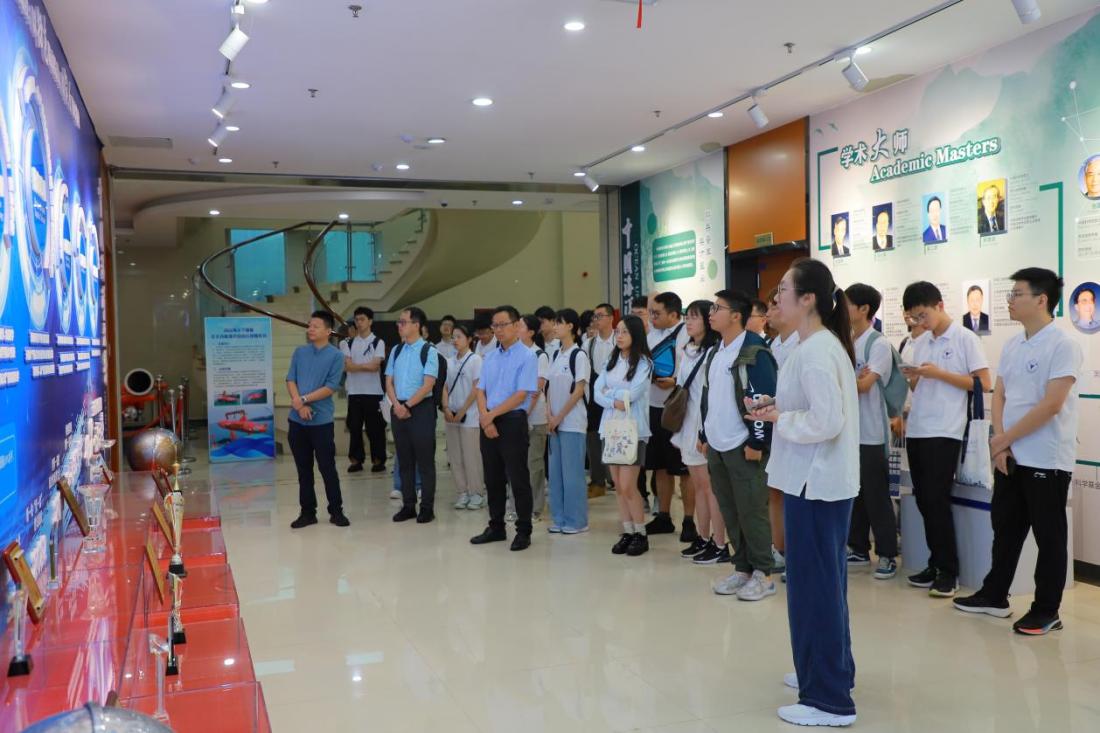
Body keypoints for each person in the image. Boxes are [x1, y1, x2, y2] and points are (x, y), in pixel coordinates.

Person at [749, 258, 859, 728]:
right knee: (823, 586)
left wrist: (780, 418)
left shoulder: (816, 350)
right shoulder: (812, 346)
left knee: (815, 590)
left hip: (816, 484)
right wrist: (775, 406)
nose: (776, 298)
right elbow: (811, 406)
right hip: (815, 482)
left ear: (808, 298)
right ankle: (826, 671)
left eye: (783, 289)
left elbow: (826, 421)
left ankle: (829, 700)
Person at [955, 268, 1083, 635]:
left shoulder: (1063, 344)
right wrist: (1001, 443)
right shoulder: (1013, 344)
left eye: (1017, 294)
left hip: (1046, 457)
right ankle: (994, 594)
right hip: (1011, 455)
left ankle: (1047, 610)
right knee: (1006, 529)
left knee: (1049, 536)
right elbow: (1000, 393)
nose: (1010, 300)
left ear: (1042, 300)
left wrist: (1004, 438)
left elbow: (1052, 405)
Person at [901, 281, 991, 597]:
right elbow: (918, 388)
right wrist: (913, 377)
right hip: (918, 428)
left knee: (937, 500)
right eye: (914, 318)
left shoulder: (965, 338)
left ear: (939, 305)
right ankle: (936, 562)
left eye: (923, 315)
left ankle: (948, 571)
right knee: (924, 500)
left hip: (946, 430)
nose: (920, 322)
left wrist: (938, 373)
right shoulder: (922, 341)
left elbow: (983, 383)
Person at [700, 290, 778, 601]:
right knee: (730, 510)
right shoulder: (715, 352)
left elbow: (762, 400)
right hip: (717, 445)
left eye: (717, 308)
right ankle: (742, 568)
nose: (711, 313)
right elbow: (708, 396)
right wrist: (704, 435)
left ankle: (764, 573)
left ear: (736, 316)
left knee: (752, 510)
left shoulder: (755, 352)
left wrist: (757, 441)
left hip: (743, 444)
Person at [470, 306, 539, 551]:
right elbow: (480, 390)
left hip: (512, 420)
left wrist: (490, 416)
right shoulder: (490, 356)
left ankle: (523, 530)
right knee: (492, 477)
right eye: (495, 326)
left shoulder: (528, 356)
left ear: (516, 325)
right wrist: (485, 418)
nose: (498, 330)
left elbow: (521, 394)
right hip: (488, 420)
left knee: (518, 477)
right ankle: (496, 526)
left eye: (503, 324)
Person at [844, 284, 899, 580]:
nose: (842, 309)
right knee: (855, 492)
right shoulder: (848, 340)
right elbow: (855, 381)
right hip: (850, 432)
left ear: (864, 309)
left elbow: (865, 386)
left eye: (847, 303)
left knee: (877, 495)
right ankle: (858, 547)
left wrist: (846, 381)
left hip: (872, 432)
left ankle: (887, 553)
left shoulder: (877, 343)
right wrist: (852, 378)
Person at [673, 300, 728, 564]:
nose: (689, 321)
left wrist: (703, 432)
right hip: (687, 423)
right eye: (688, 316)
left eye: (695, 317)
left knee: (710, 488)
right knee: (698, 486)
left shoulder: (713, 353)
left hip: (702, 424)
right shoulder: (688, 349)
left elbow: (712, 395)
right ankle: (703, 537)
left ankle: (720, 543)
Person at [595, 315, 653, 557]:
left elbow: (634, 393)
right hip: (610, 428)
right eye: (617, 331)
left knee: (629, 485)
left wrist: (611, 392)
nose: (619, 336)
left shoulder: (644, 363)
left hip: (633, 429)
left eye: (624, 332)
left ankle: (641, 533)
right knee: (618, 485)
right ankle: (627, 531)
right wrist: (614, 399)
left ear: (635, 334)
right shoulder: (612, 359)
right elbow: (596, 391)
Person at [287, 311, 349, 529]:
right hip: (297, 421)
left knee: (327, 468)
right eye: (309, 325)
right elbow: (291, 379)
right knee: (303, 470)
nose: (310, 329)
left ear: (328, 330)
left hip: (321, 422)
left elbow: (331, 387)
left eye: (315, 326)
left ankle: (336, 511)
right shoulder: (300, 352)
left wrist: (304, 400)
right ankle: (307, 512)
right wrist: (299, 404)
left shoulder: (336, 356)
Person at [646, 292, 696, 541]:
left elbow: (692, 370)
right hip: (653, 406)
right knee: (660, 466)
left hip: (677, 409)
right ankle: (663, 516)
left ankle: (689, 520)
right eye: (650, 313)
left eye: (657, 313)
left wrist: (674, 381)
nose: (652, 318)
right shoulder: (651, 335)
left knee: (684, 468)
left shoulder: (686, 335)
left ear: (674, 314)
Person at [385, 306, 440, 524]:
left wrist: (407, 405)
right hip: (398, 408)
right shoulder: (396, 350)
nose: (399, 326)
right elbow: (388, 381)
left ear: (416, 325)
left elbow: (428, 384)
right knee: (404, 461)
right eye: (398, 322)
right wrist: (397, 404)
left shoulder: (429, 350)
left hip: (421, 409)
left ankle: (427, 508)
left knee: (425, 462)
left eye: (403, 322)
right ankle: (408, 505)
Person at [546, 309, 592, 534]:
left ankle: (577, 520)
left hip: (572, 422)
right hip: (554, 424)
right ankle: (559, 518)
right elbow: (548, 389)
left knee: (572, 474)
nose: (554, 327)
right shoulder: (555, 354)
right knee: (556, 474)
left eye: (559, 323)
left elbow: (578, 391)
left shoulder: (579, 355)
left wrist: (558, 417)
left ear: (571, 326)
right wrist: (549, 415)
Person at [765, 288, 800, 573]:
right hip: (778, 427)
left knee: (795, 496)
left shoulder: (805, 344)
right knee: (775, 491)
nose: (769, 312)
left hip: (799, 430)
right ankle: (780, 550)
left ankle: (797, 555)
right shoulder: (773, 345)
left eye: (775, 305)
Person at [442, 324, 485, 510]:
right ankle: (462, 492)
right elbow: (444, 387)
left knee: (471, 456)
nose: (455, 340)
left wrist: (462, 410)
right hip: (451, 416)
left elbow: (476, 388)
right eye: (453, 337)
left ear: (469, 339)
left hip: (470, 416)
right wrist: (446, 408)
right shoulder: (449, 361)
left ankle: (477, 493)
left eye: (459, 336)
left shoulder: (475, 360)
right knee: (455, 456)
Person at [341, 306, 387, 474]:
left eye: (362, 319)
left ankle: (378, 460)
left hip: (374, 392)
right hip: (354, 392)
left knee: (375, 429)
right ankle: (356, 460)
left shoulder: (378, 342)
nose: (359, 323)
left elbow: (375, 367)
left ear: (370, 321)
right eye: (356, 319)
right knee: (354, 428)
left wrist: (356, 366)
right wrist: (364, 366)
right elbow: (346, 366)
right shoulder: (346, 343)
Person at [516, 315, 550, 519]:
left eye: (520, 326)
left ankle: (535, 507)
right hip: (516, 416)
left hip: (534, 417)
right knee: (517, 464)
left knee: (534, 463)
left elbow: (537, 389)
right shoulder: (515, 353)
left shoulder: (539, 355)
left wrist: (524, 412)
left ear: (530, 332)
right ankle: (519, 505)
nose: (516, 328)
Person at [586, 303, 617, 497]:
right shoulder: (588, 344)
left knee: (615, 436)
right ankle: (597, 481)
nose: (596, 320)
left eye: (600, 316)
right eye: (594, 316)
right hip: (594, 397)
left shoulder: (619, 340)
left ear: (611, 318)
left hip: (615, 397)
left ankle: (615, 478)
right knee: (593, 440)